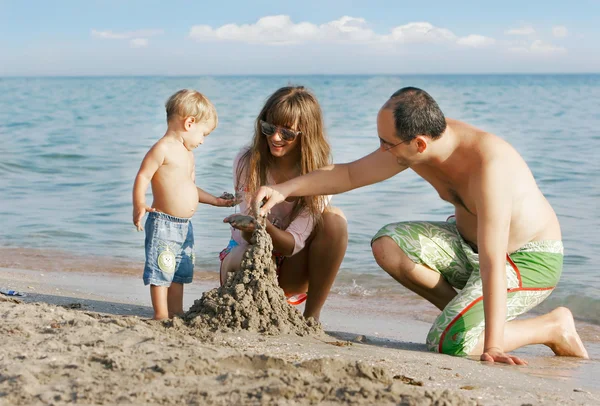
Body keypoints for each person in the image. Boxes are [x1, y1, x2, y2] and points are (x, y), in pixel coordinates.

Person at [252, 87, 589, 364]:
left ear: (419, 144)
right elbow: (350, 174)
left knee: (450, 342)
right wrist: (282, 190)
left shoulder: (490, 167)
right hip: (465, 243)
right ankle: (467, 316)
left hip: (525, 261)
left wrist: (494, 347)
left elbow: (492, 260)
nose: (381, 149)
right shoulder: (416, 142)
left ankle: (551, 327)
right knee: (389, 244)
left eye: (387, 143)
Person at [219, 85, 348, 321]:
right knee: (249, 249)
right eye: (269, 128)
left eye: (287, 133)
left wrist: (263, 225)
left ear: (306, 134)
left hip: (290, 265)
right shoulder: (248, 161)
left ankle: (312, 318)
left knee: (334, 219)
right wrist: (254, 226)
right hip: (245, 261)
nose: (275, 138)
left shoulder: (320, 173)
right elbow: (251, 239)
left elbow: (292, 246)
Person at [132, 89, 235, 320]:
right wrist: (139, 203)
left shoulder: (188, 154)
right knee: (162, 268)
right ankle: (160, 314)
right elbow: (143, 176)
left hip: (184, 225)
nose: (202, 141)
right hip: (163, 223)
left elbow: (190, 189)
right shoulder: (163, 148)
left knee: (180, 270)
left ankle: (176, 311)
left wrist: (217, 201)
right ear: (190, 123)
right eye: (204, 134)